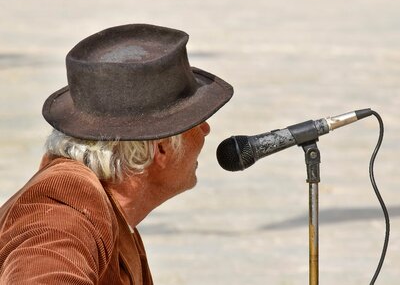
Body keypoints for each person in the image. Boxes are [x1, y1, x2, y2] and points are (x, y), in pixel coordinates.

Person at [0, 24, 233, 284]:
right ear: (161, 147)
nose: (205, 128)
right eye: (195, 121)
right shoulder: (62, 213)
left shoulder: (103, 211)